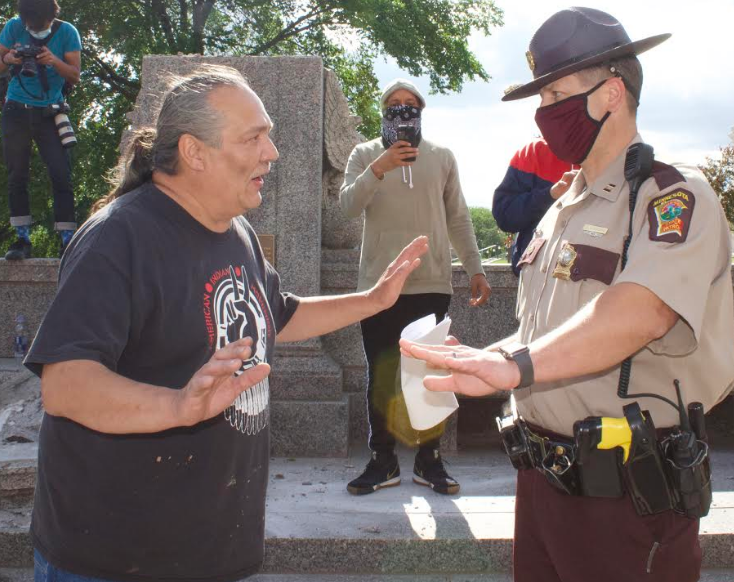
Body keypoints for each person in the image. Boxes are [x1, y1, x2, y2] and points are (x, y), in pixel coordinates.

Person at [23, 65, 429, 582]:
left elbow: (279, 315)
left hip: (210, 555)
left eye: (270, 136)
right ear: (194, 152)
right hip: (116, 560)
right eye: (254, 137)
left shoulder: (234, 231)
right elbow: (65, 386)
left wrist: (373, 301)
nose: (272, 153)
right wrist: (177, 406)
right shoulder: (117, 239)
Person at [400, 7, 734, 582]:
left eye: (556, 92)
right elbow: (548, 330)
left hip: (626, 495)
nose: (543, 113)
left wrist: (517, 365)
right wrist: (490, 358)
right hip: (541, 482)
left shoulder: (670, 196)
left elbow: (642, 311)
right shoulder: (563, 206)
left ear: (611, 94)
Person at [340, 78, 491, 496]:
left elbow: (458, 216)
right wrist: (380, 168)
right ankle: (382, 461)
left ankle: (430, 460)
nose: (403, 110)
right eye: (394, 104)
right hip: (378, 286)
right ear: (383, 111)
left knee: (429, 375)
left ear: (421, 111)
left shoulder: (442, 157)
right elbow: (347, 206)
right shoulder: (364, 154)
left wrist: (475, 268)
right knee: (382, 377)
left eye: (411, 104)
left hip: (430, 283)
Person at [0, 0, 81, 260]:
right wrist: (8, 58)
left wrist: (53, 60)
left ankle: (67, 241)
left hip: (49, 112)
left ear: (51, 17)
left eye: (40, 27)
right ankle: (22, 240)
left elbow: (75, 75)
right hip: (16, 110)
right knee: (16, 175)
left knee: (61, 174)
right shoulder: (13, 26)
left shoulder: (66, 32)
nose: (35, 30)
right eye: (31, 27)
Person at [492, 139, 574, 276]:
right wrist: (550, 195)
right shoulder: (534, 152)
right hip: (534, 279)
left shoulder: (619, 156)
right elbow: (504, 215)